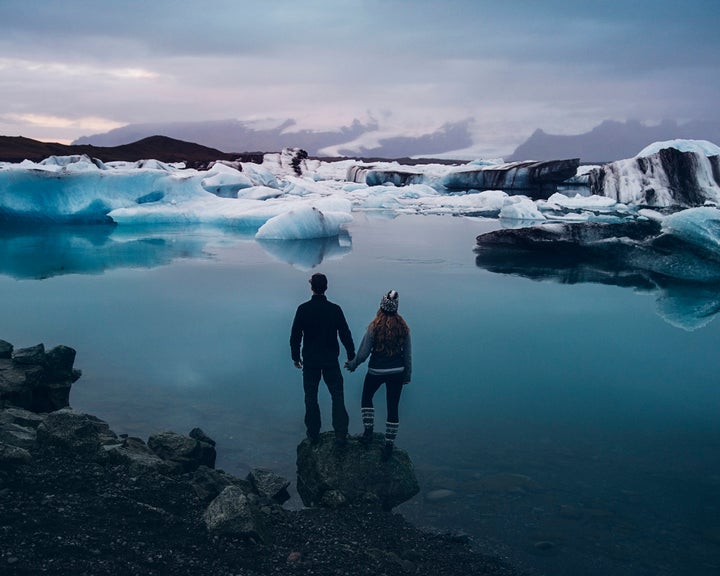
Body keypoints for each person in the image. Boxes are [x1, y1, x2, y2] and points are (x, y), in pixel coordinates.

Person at [345, 290, 411, 460]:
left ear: (381, 306)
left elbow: (364, 352)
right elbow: (407, 355)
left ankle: (368, 432)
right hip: (397, 372)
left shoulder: (374, 326)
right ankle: (388, 445)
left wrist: (353, 365)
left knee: (367, 397)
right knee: (393, 407)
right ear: (396, 307)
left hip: (376, 371)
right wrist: (407, 375)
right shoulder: (403, 328)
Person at [290, 273, 356, 445]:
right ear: (326, 287)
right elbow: (345, 333)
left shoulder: (303, 309)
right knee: (337, 395)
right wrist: (351, 355)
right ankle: (340, 434)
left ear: (311, 287)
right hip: (330, 361)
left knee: (311, 396)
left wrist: (295, 357)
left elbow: (295, 336)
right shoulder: (335, 309)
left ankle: (313, 434)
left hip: (310, 360)